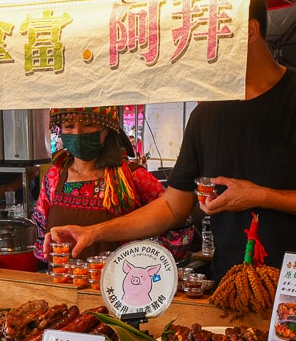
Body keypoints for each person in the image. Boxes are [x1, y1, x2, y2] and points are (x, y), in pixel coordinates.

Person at [47, 0, 296, 280]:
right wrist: (93, 232)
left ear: (249, 31)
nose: (198, 48)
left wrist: (262, 196)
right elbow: (170, 208)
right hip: (233, 287)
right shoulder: (206, 116)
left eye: (207, 36)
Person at [32, 105, 191, 261]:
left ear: (106, 129)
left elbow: (177, 224)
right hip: (63, 282)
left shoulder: (132, 177)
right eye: (69, 126)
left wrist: (144, 260)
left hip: (121, 283)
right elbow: (40, 234)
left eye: (88, 124)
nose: (77, 133)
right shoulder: (54, 176)